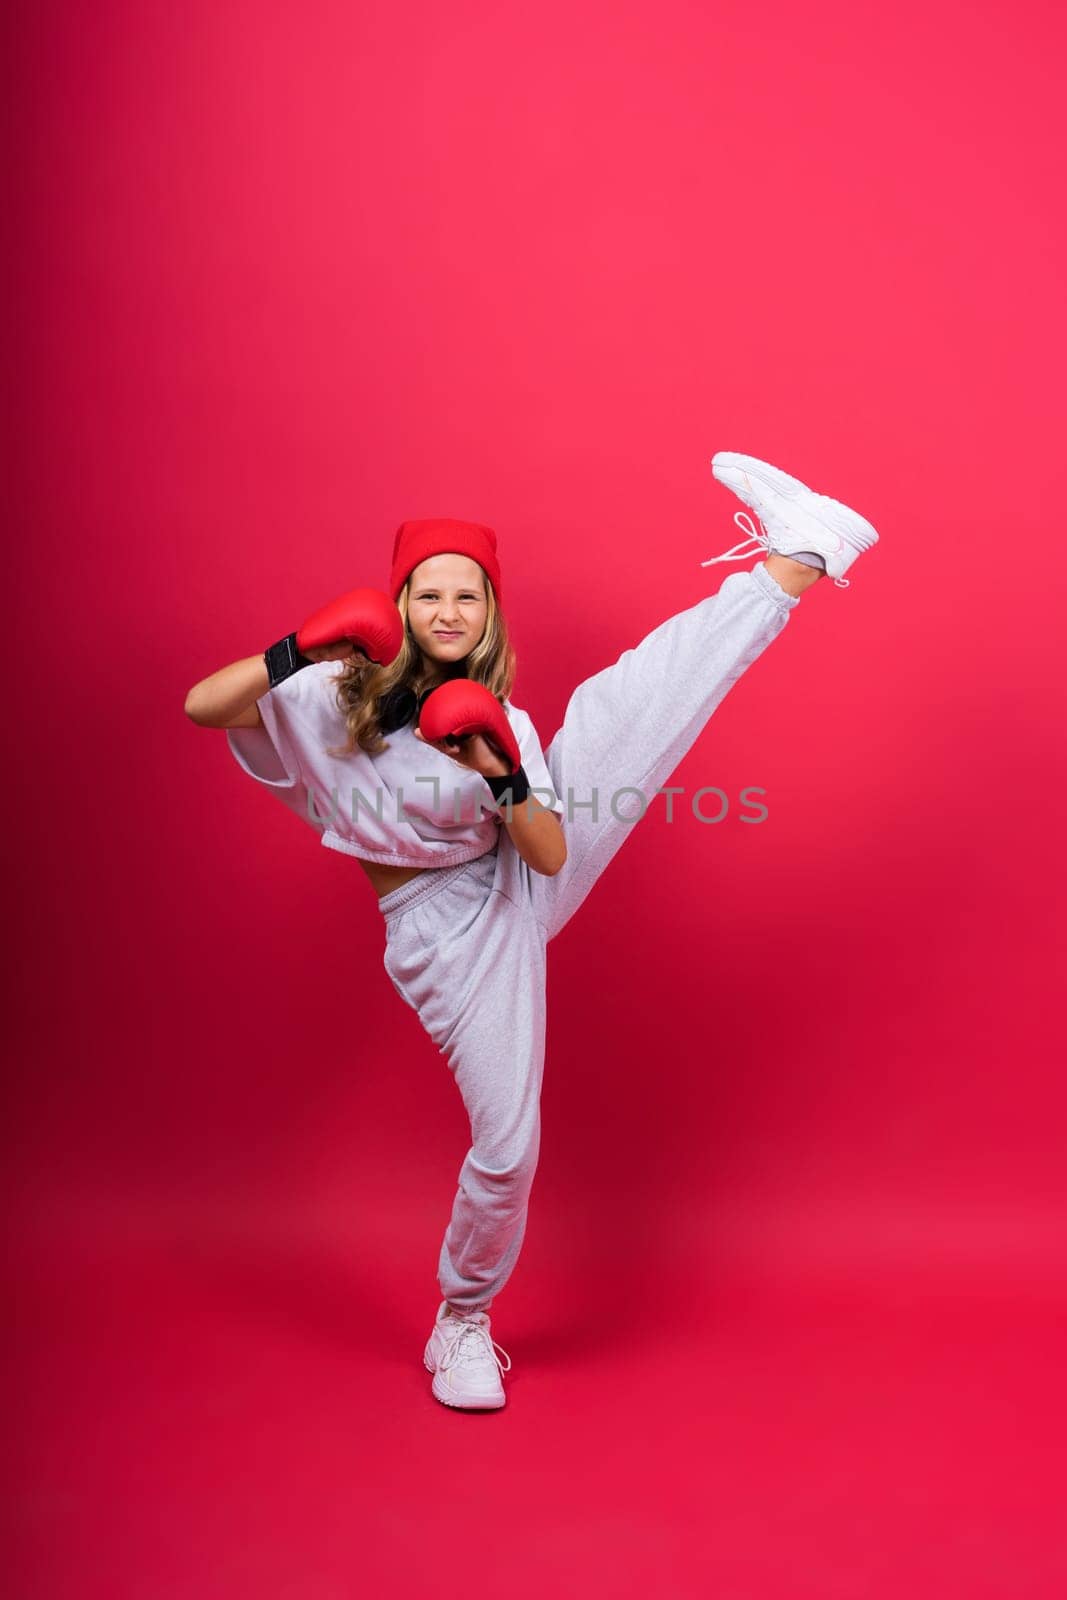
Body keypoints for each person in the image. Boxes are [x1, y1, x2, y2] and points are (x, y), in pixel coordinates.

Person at [183, 451, 880, 1411]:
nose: (447, 613)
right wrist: (298, 650)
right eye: (428, 593)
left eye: (468, 597)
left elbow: (548, 857)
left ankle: (791, 566)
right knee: (508, 1146)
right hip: (448, 935)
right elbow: (202, 707)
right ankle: (462, 1319)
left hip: (517, 875)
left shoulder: (501, 716)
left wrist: (502, 770)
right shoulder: (325, 696)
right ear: (398, 605)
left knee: (623, 712)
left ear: (488, 615)